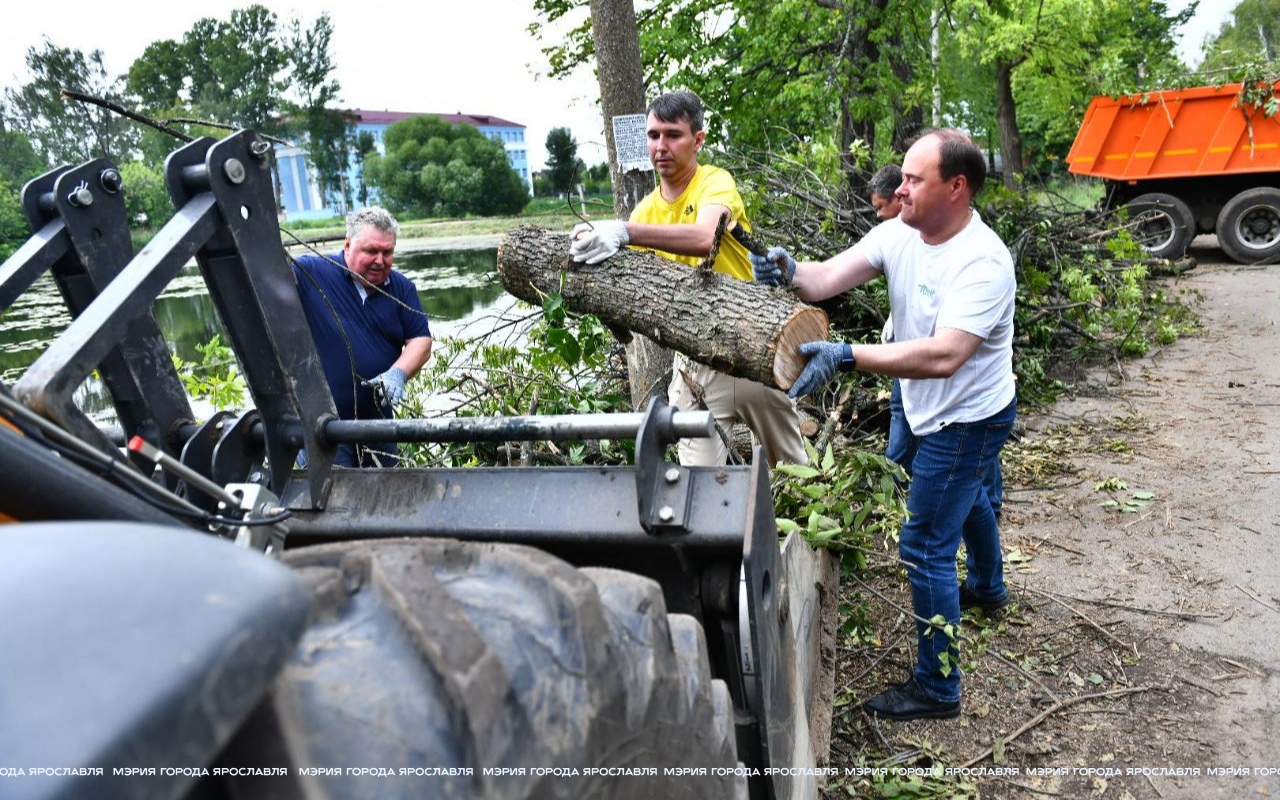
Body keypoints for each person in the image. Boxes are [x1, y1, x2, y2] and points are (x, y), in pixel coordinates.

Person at [752, 129, 1016, 721]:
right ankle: (990, 588)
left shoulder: (983, 262)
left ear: (956, 187)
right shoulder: (901, 230)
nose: (899, 190)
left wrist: (846, 355)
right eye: (901, 178)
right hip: (925, 402)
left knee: (924, 544)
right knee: (964, 493)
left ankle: (938, 687)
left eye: (913, 180)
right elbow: (823, 280)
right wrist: (792, 270)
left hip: (968, 416)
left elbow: (945, 354)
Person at [569, 90, 806, 467]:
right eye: (653, 135)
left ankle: (793, 529)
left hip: (751, 352)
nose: (660, 146)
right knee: (696, 488)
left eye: (672, 135)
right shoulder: (645, 211)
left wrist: (626, 232)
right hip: (694, 366)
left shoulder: (715, 182)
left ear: (698, 140)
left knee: (796, 475)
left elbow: (704, 237)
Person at [293, 206, 433, 467]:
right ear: (347, 245)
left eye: (387, 252)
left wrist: (398, 373)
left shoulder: (401, 288)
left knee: (387, 499)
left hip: (378, 426)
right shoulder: (310, 272)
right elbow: (262, 287)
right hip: (323, 426)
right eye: (371, 251)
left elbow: (420, 340)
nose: (380, 260)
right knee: (335, 503)